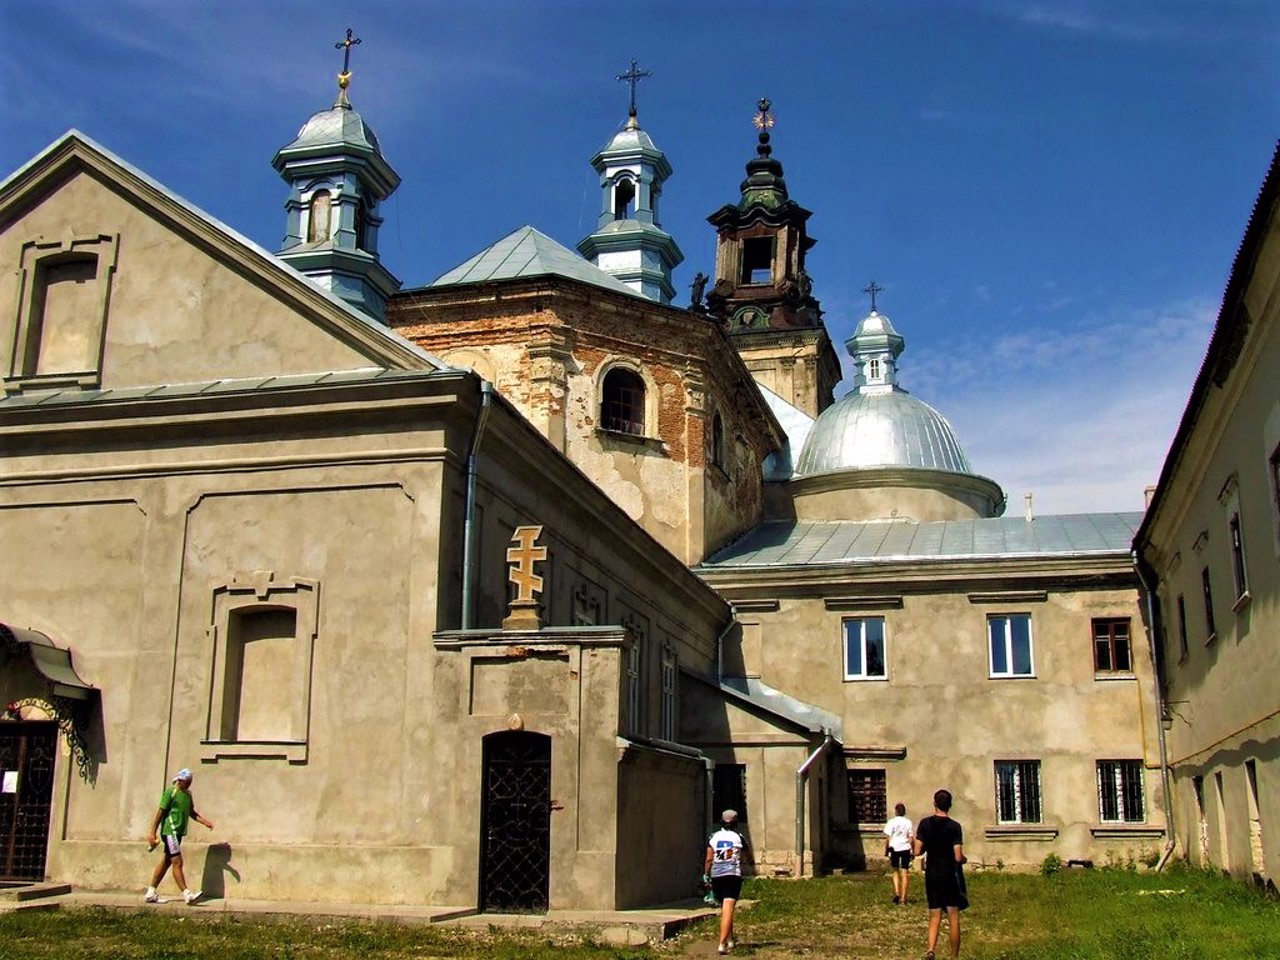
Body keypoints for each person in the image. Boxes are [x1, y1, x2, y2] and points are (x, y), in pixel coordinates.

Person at [144, 768, 215, 904]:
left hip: (179, 833)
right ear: (180, 780)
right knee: (178, 862)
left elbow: (192, 813)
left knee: (167, 861)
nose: (188, 785)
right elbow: (160, 812)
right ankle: (187, 893)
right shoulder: (171, 792)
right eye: (187, 782)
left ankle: (151, 892)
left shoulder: (188, 794)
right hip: (170, 832)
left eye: (190, 783)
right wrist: (152, 832)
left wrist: (205, 822)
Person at [913, 789, 967, 960]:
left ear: (934, 803)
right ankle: (954, 956)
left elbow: (917, 851)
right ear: (950, 805)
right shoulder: (954, 827)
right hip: (950, 874)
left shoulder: (925, 824)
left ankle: (930, 950)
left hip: (932, 874)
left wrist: (913, 842)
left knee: (934, 914)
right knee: (953, 916)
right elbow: (958, 856)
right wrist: (964, 859)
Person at [703, 809, 746, 955]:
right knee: (728, 908)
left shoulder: (713, 836)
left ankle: (730, 939)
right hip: (732, 875)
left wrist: (706, 875)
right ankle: (722, 944)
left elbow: (709, 859)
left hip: (717, 876)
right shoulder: (738, 837)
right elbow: (746, 855)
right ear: (735, 822)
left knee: (725, 908)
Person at [883, 801, 914, 904]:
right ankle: (904, 897)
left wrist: (886, 850)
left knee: (895, 870)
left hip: (894, 847)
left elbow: (887, 837)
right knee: (905, 872)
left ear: (896, 811)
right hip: (905, 847)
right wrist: (912, 849)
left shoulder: (891, 822)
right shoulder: (908, 822)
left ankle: (897, 892)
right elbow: (911, 838)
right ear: (904, 812)